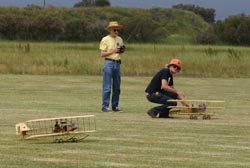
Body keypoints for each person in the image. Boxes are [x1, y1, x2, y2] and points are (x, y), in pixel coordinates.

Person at [99, 21, 126, 112]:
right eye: (115, 30)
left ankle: (115, 106)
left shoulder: (120, 39)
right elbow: (102, 54)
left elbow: (120, 51)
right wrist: (113, 51)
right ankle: (105, 106)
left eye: (118, 30)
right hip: (108, 63)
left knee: (117, 87)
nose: (117, 32)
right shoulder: (105, 39)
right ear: (110, 30)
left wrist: (122, 50)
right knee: (107, 87)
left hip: (117, 63)